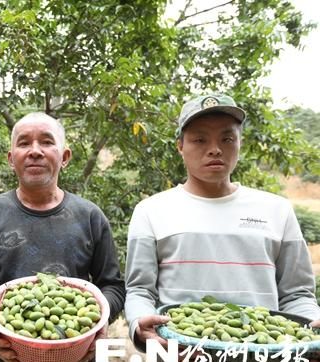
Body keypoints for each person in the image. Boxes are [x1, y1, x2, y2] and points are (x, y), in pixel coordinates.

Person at [124, 94, 320, 350]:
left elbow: (297, 294)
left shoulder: (277, 210)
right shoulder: (151, 211)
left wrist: (312, 325)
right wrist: (139, 325)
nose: (215, 149)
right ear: (180, 146)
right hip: (183, 352)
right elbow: (140, 291)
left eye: (227, 138)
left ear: (240, 144)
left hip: (262, 352)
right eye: (199, 139)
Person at [0, 111, 125, 362]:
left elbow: (113, 286)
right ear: (11, 159)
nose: (35, 151)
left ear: (64, 157)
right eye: (24, 143)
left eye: (47, 142)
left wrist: (99, 320)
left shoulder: (90, 217)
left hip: (74, 355)